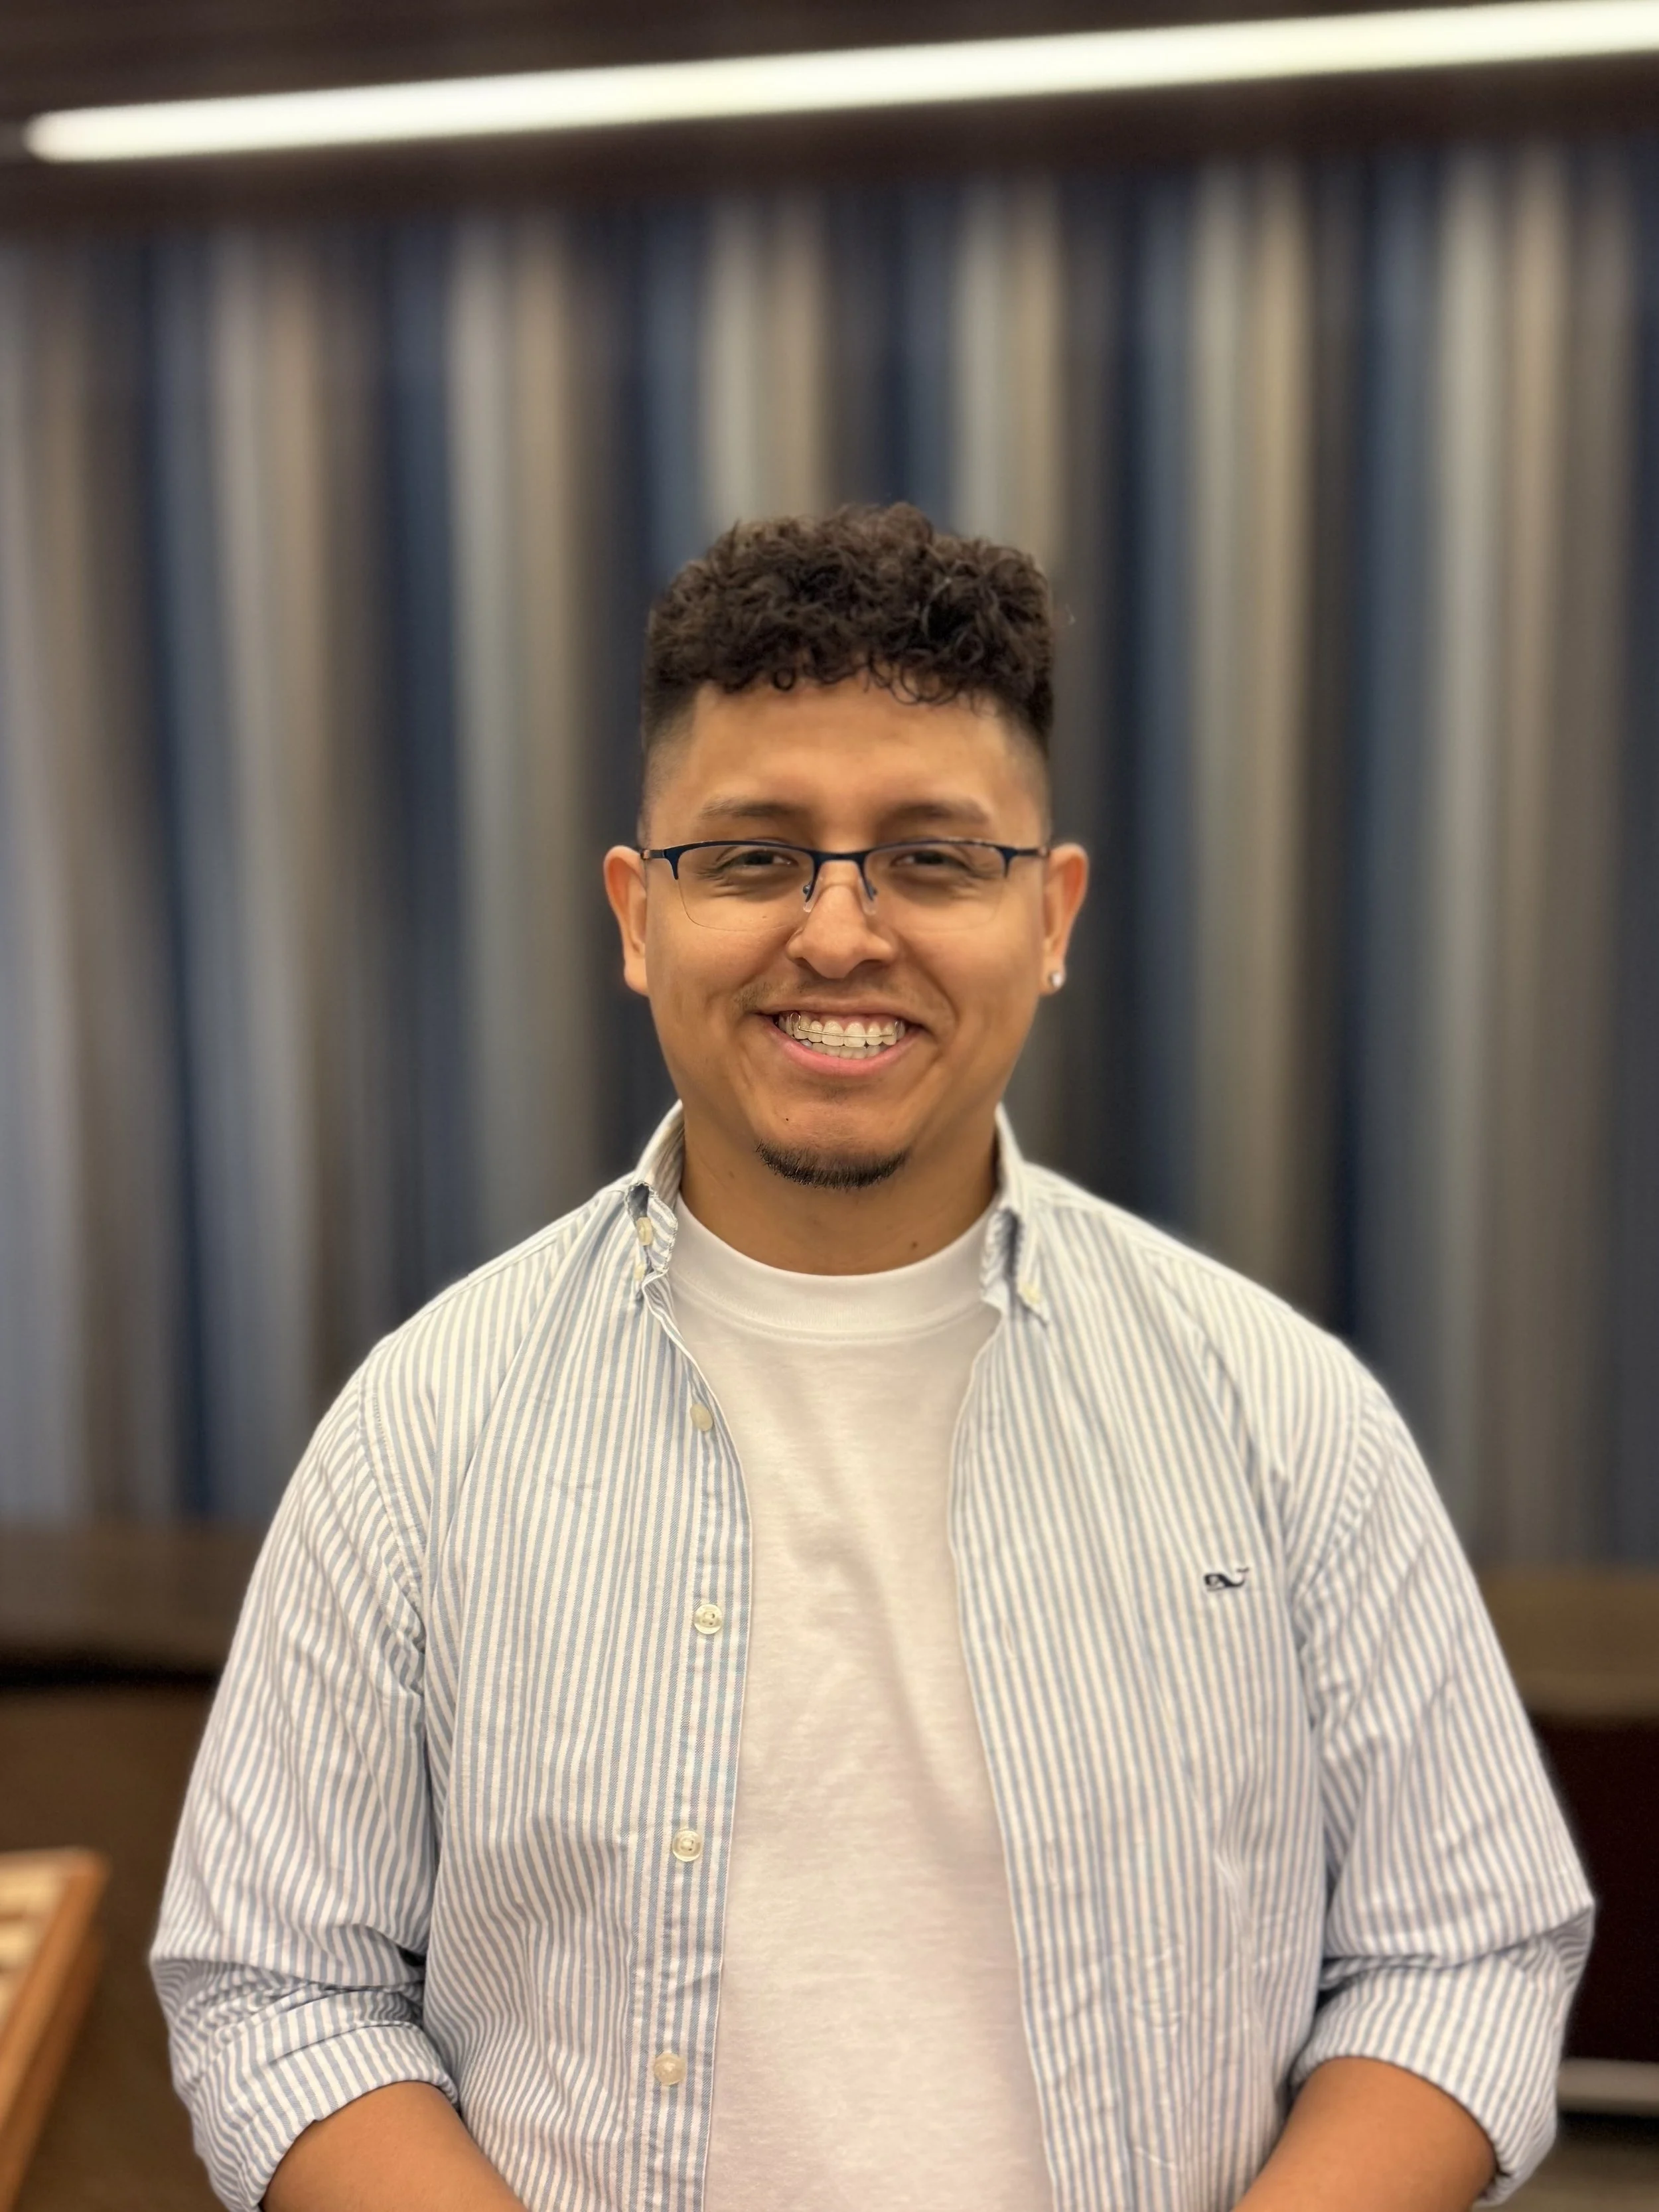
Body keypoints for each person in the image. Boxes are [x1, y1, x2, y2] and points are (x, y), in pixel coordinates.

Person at [153, 505, 1591, 2212]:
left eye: (932, 858)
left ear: (1049, 915)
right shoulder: (422, 1430)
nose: (838, 935)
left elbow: (1463, 1946)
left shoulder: (1281, 1414)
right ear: (636, 913)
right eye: (752, 856)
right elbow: (277, 1986)